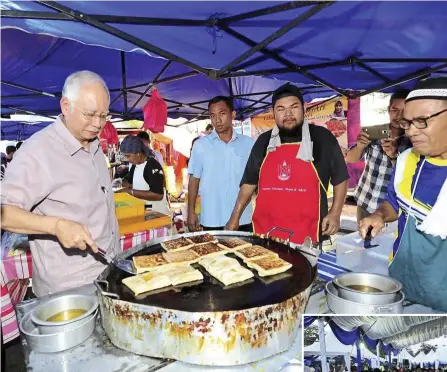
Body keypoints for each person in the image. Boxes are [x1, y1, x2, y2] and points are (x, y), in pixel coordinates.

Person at [1, 70, 119, 297]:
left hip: (107, 275)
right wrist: (55, 226)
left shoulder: (93, 143)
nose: (97, 124)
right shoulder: (37, 152)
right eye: (90, 114)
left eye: (103, 116)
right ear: (66, 106)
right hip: (69, 289)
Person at [359, 77, 447, 311]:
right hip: (401, 282)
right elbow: (394, 202)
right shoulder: (407, 159)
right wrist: (378, 214)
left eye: (422, 121)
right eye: (408, 123)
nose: (412, 131)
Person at [225, 84, 349, 244]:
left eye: (294, 107)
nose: (288, 114)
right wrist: (235, 218)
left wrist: (335, 213)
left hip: (308, 236)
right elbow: (249, 182)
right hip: (266, 233)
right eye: (281, 109)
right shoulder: (263, 141)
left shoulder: (322, 138)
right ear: (273, 112)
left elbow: (340, 178)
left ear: (304, 108)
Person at [187, 96, 254, 231]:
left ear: (232, 114)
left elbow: (254, 181)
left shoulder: (249, 144)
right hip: (212, 219)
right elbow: (194, 180)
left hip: (243, 219)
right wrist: (191, 212)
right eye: (213, 116)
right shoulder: (201, 145)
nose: (217, 120)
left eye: (222, 114)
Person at [346, 90, 412, 222]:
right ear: (388, 109)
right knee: (362, 240)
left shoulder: (414, 140)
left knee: (388, 242)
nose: (398, 115)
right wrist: (359, 146)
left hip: (391, 209)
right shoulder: (374, 132)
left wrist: (394, 157)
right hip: (364, 200)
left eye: (404, 111)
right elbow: (350, 158)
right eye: (394, 110)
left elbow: (409, 178)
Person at [119, 135, 169, 215]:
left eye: (128, 156)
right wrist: (119, 183)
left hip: (157, 213)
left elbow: (158, 195)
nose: (127, 159)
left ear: (138, 153)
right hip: (144, 210)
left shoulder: (152, 166)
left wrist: (131, 192)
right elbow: (129, 181)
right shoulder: (135, 165)